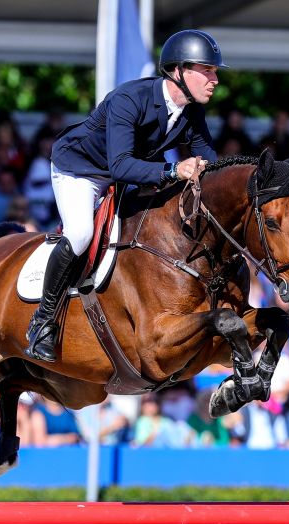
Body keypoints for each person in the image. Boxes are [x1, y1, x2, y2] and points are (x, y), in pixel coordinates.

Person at [25, 29, 225, 362]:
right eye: (207, 70)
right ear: (179, 71)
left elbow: (212, 163)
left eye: (215, 71)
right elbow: (119, 166)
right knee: (80, 233)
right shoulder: (129, 100)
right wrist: (174, 171)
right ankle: (43, 322)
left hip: (130, 175)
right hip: (81, 171)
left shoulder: (192, 111)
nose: (214, 78)